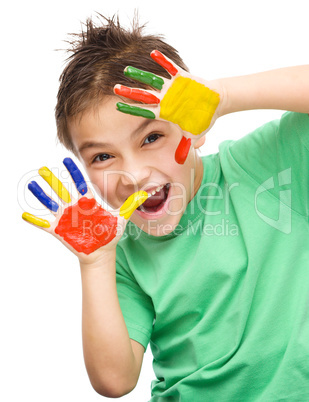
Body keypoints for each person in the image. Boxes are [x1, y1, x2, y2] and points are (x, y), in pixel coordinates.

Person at [23, 13, 309, 400]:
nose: (134, 175)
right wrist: (95, 262)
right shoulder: (121, 253)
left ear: (192, 126)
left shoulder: (265, 164)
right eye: (103, 157)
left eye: (151, 137)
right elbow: (115, 380)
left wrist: (224, 96)